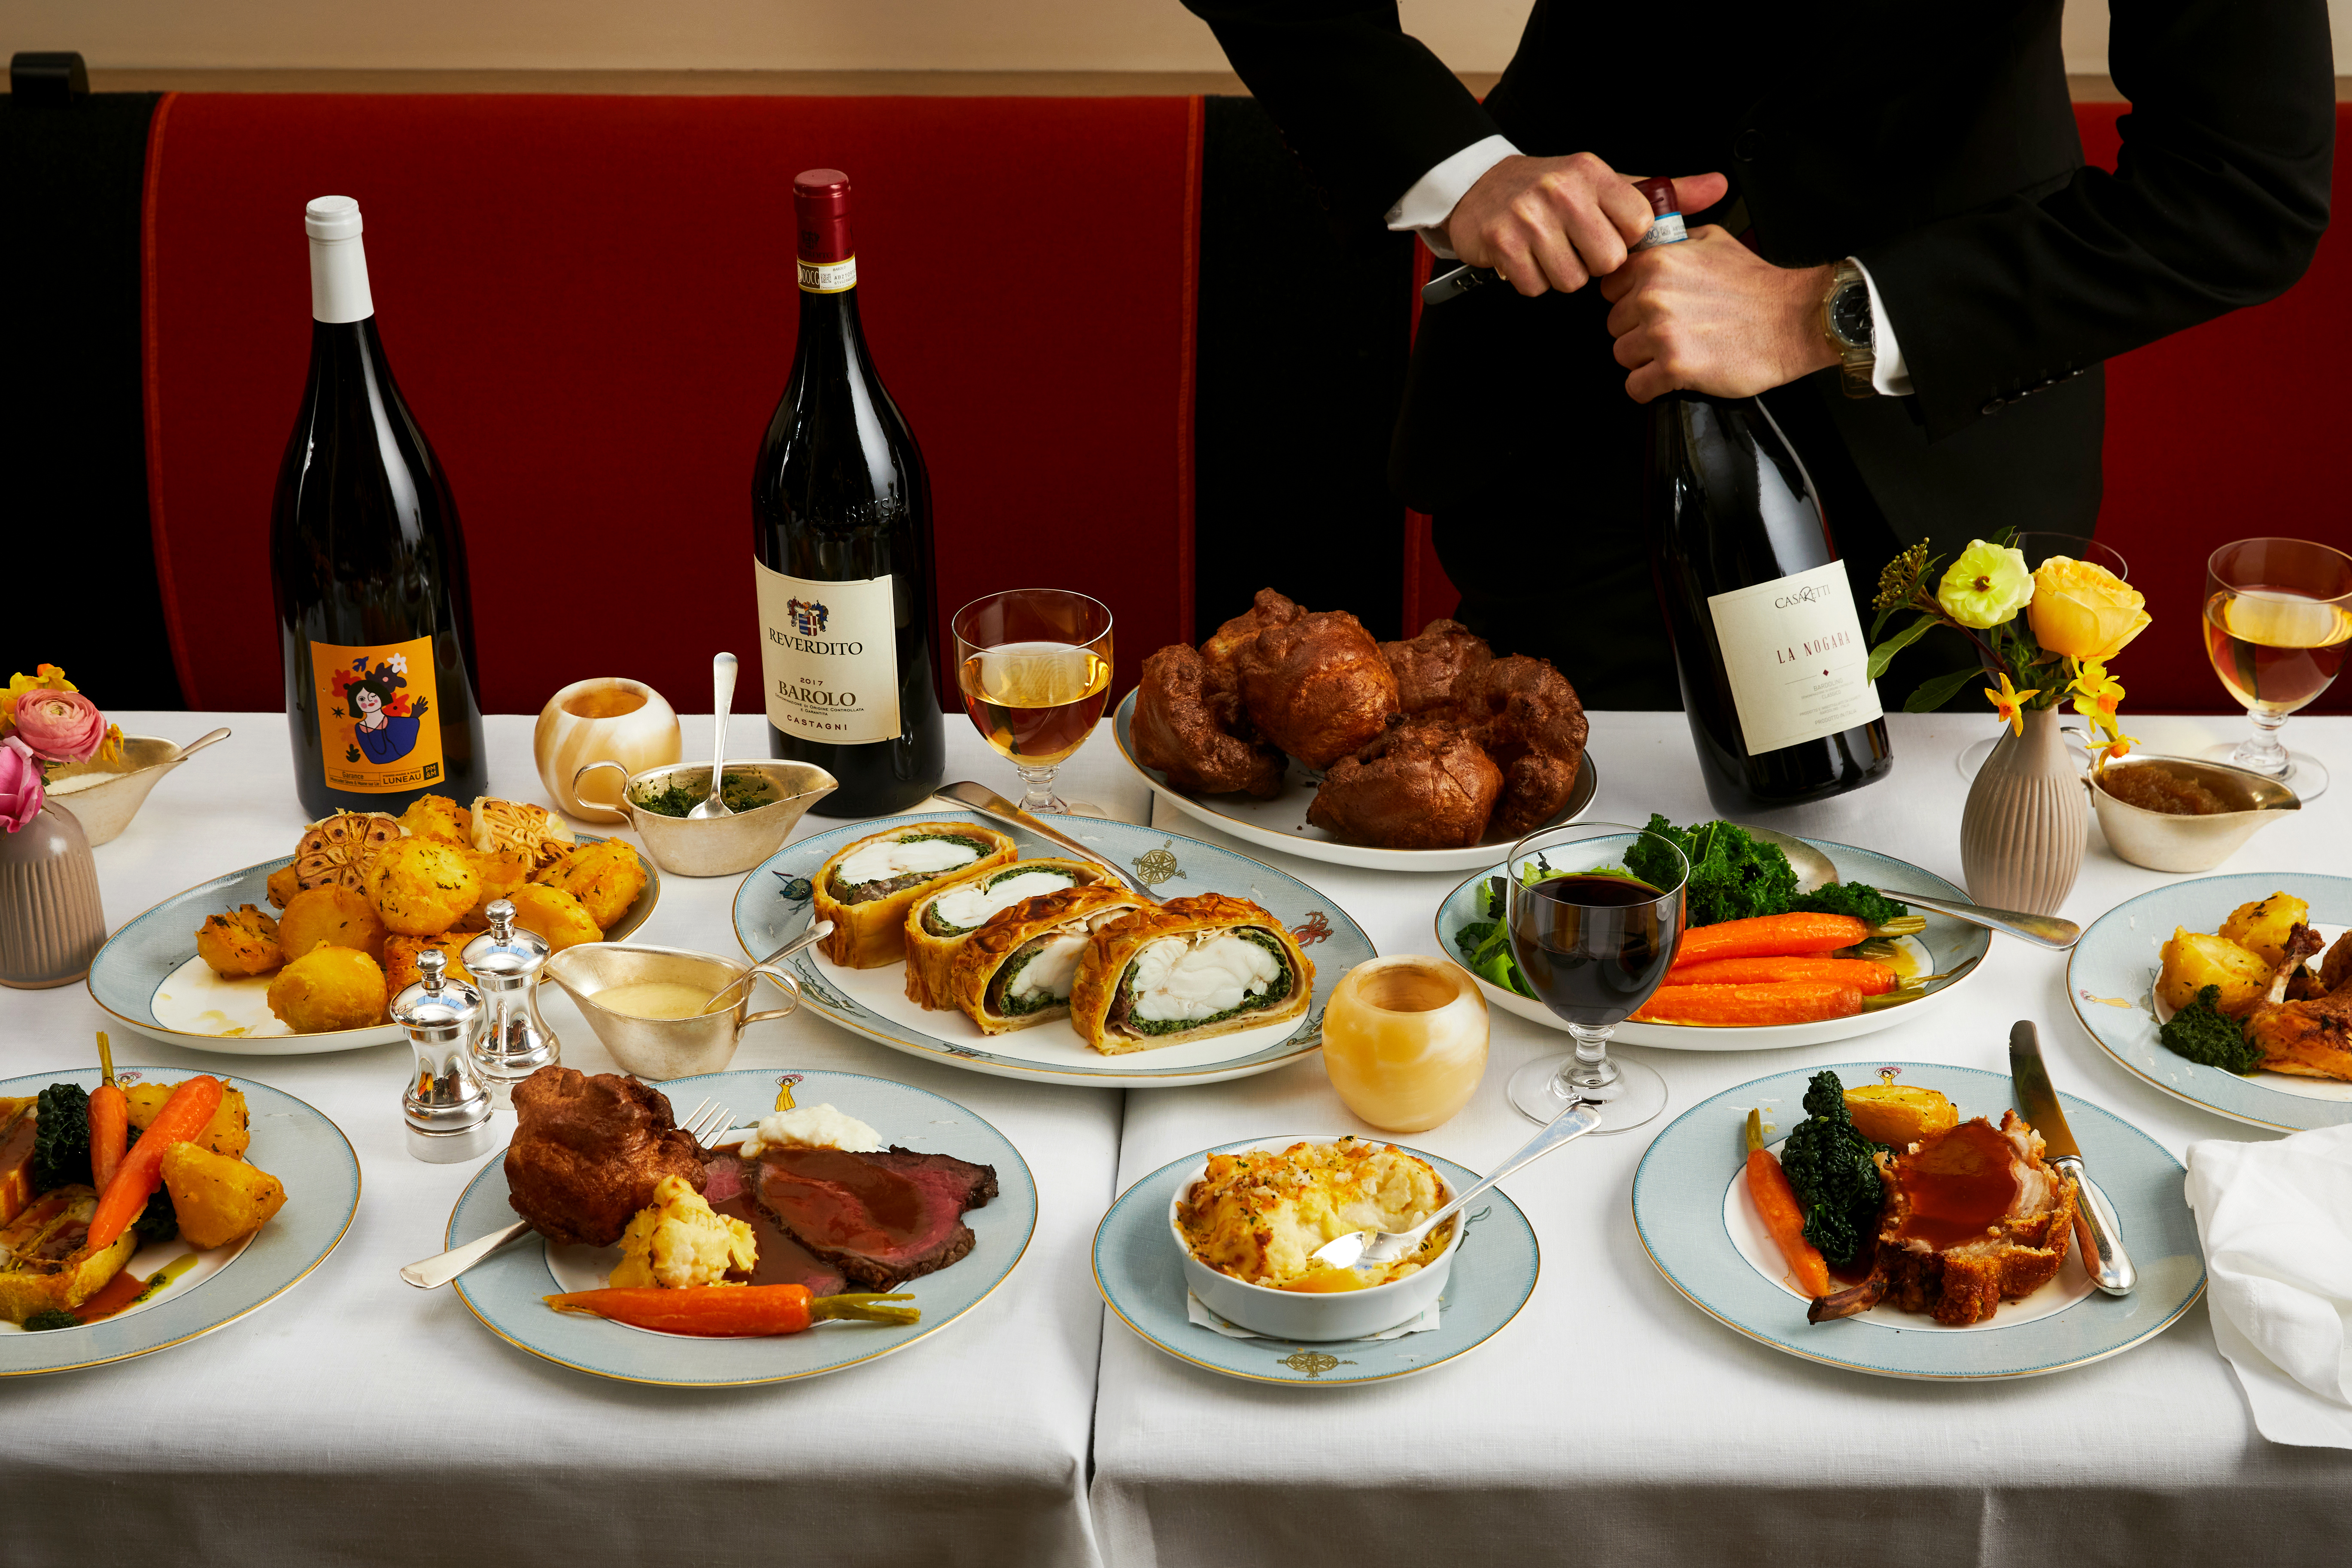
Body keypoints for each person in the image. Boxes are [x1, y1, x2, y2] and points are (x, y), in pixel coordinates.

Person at [1180, 0, 2334, 706]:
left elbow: (2245, 185)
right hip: (1574, 417)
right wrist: (1452, 166)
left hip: (1959, 470)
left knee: (1929, 970)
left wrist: (1817, 314)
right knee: (1579, 945)